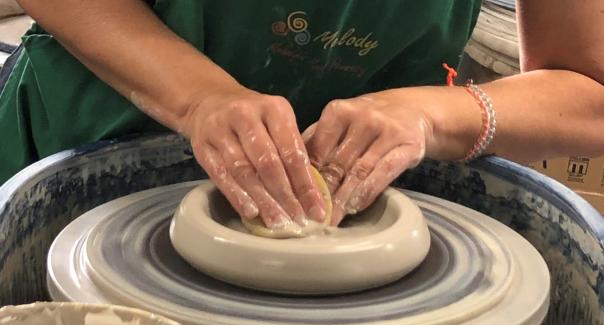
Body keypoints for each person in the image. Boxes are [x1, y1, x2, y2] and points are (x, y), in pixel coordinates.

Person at [0, 1, 603, 229]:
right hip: (99, 131)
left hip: (359, 209)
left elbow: (590, 93)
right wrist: (199, 96)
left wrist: (433, 114)